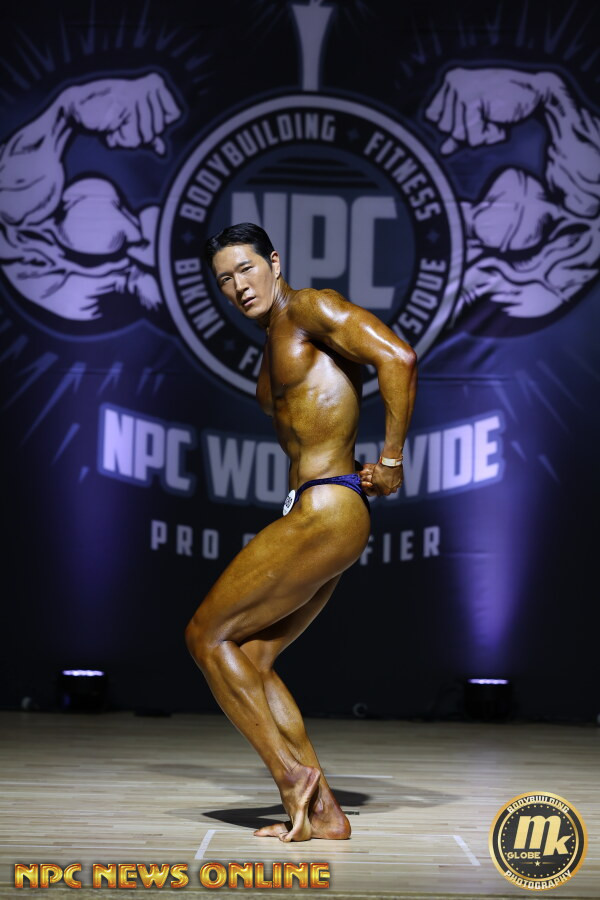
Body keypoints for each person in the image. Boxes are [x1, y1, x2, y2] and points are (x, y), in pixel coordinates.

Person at [185, 223, 417, 842]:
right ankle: (325, 814)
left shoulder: (309, 309)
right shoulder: (272, 343)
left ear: (274, 262)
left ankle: (291, 778)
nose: (238, 285)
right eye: (225, 279)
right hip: (315, 509)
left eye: (246, 269)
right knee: (251, 659)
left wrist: (391, 460)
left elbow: (397, 357)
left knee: (205, 635)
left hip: (328, 506)